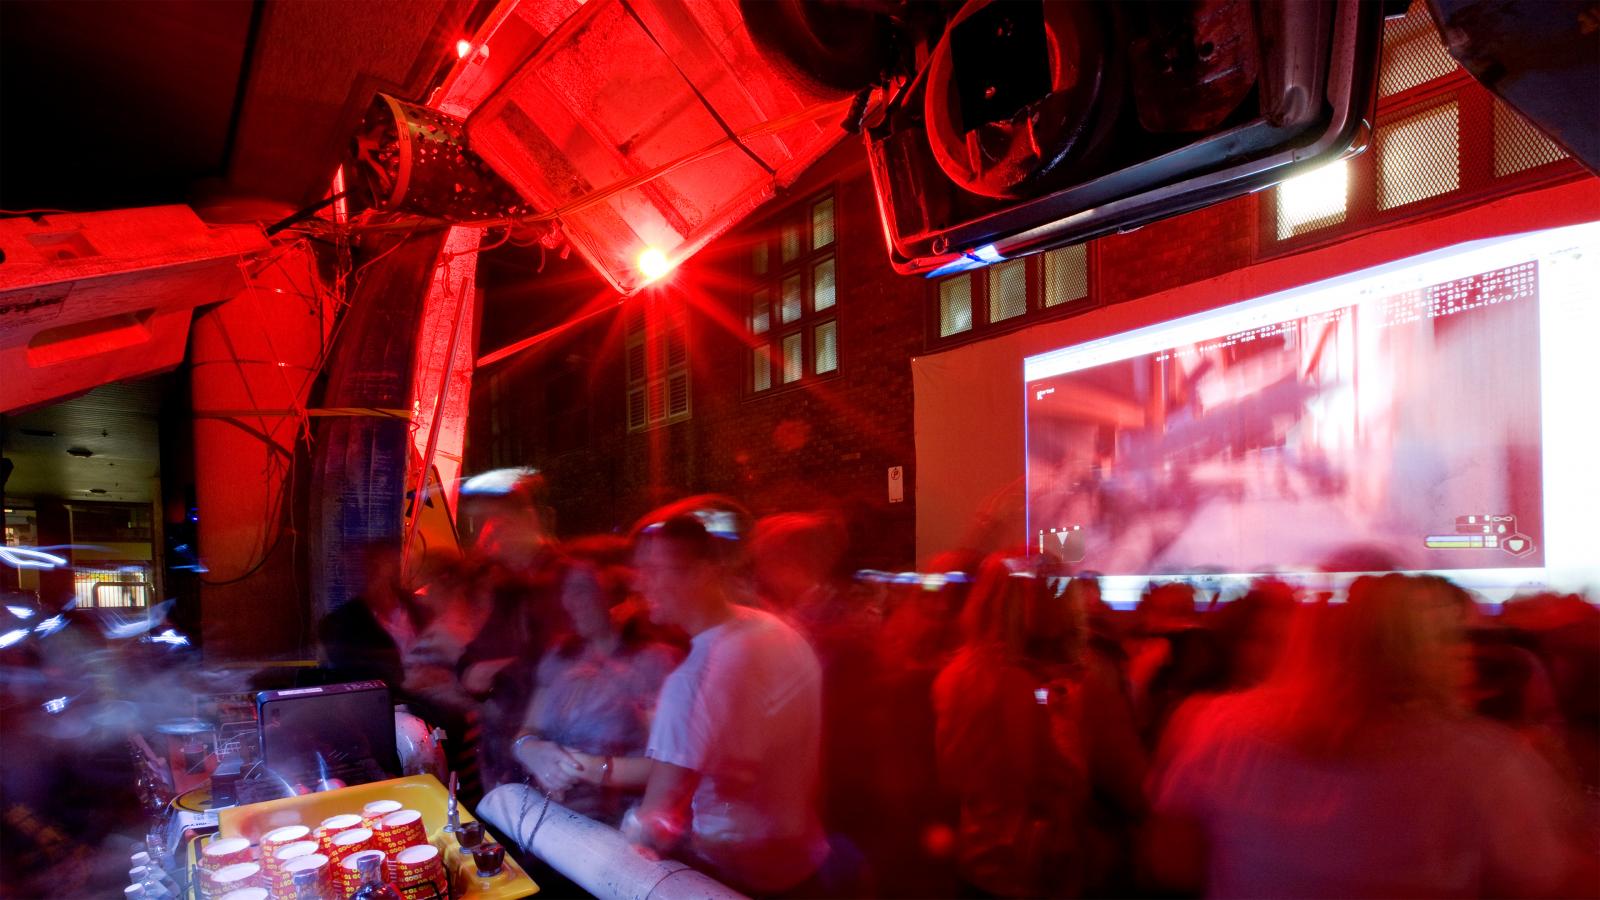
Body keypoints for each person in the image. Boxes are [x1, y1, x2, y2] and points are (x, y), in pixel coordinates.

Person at [1147, 574, 1596, 898]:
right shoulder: (1484, 763)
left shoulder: (1214, 727)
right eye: (1456, 638)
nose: (1465, 655)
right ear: (1423, 647)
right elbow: (1559, 883)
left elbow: (1173, 865)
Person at [623, 514, 829, 895]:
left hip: (733, 879)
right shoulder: (774, 630)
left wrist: (624, 824)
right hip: (803, 870)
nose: (639, 583)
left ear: (702, 572)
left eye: (654, 570)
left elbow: (654, 826)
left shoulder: (691, 682)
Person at [933, 553, 1146, 897]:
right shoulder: (1075, 688)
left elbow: (949, 777)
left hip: (978, 864)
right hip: (1050, 870)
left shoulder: (954, 678)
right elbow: (1132, 784)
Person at [511, 543, 682, 825]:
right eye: (565, 590)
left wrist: (586, 768)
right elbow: (527, 730)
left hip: (614, 826)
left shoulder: (652, 662)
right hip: (548, 818)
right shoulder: (560, 655)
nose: (569, 601)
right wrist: (529, 750)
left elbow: (668, 767)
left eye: (581, 589)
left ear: (612, 594)